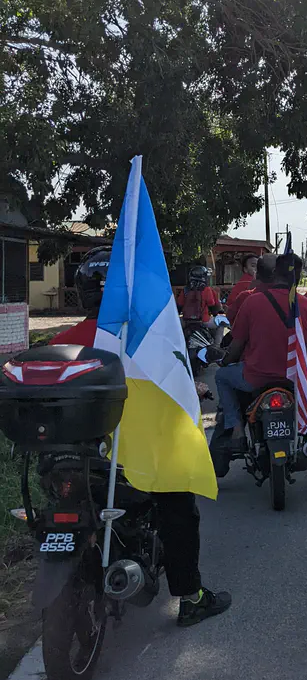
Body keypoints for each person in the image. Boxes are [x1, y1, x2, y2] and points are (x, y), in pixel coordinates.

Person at [51, 249, 232, 628]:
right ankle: (191, 597)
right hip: (136, 463)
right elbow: (174, 388)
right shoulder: (146, 342)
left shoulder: (62, 343)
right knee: (180, 508)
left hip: (78, 462)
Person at [215, 253, 307, 482]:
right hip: (295, 380)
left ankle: (235, 429)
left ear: (275, 274)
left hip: (256, 378)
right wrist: (304, 363)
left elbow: (236, 345)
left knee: (223, 377)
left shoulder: (251, 302)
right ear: (299, 275)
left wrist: (224, 362)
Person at [177, 265, 225, 347]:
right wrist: (216, 314)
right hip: (203, 321)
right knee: (222, 324)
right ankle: (217, 346)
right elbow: (212, 307)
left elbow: (178, 307)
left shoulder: (185, 289)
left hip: (186, 321)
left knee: (173, 327)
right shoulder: (207, 289)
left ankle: (176, 345)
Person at [226, 254, 259, 324]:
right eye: (253, 266)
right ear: (245, 269)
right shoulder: (249, 282)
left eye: (259, 266)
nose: (256, 268)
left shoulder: (243, 281)